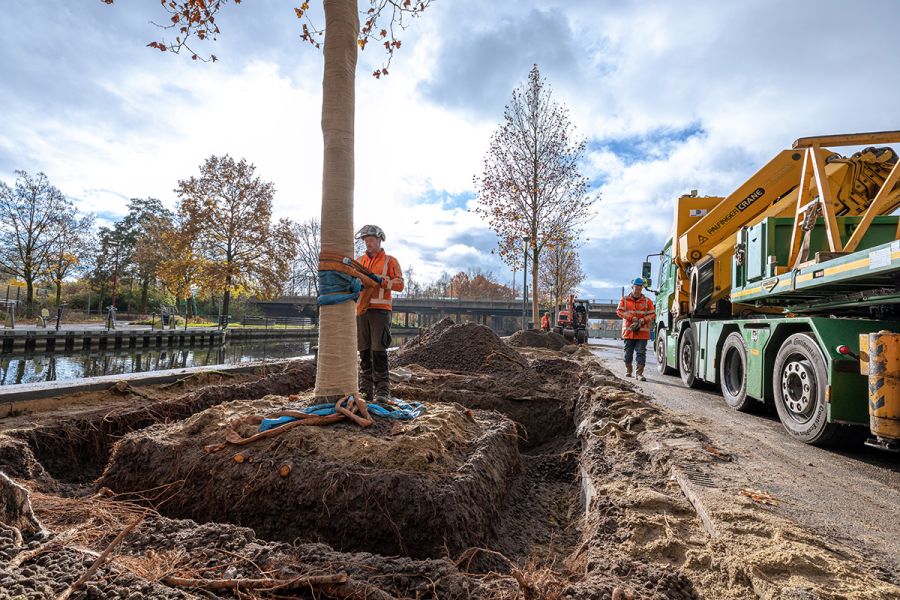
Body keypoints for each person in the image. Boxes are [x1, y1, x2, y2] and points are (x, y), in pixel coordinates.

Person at [355, 224, 404, 402]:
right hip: (361, 311)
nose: (368, 243)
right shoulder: (359, 261)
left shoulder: (390, 261)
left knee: (379, 352)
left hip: (380, 312)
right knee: (364, 352)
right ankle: (365, 392)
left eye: (371, 240)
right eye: (366, 241)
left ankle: (382, 392)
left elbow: (400, 284)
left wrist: (382, 281)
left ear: (379, 240)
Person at [616, 277, 655, 381]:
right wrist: (631, 317)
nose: (638, 289)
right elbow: (619, 311)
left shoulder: (648, 301)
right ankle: (629, 370)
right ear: (632, 287)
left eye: (640, 287)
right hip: (628, 332)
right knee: (628, 353)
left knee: (641, 353)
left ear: (642, 288)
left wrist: (643, 320)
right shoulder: (624, 300)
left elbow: (653, 315)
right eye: (636, 287)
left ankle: (639, 374)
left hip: (642, 333)